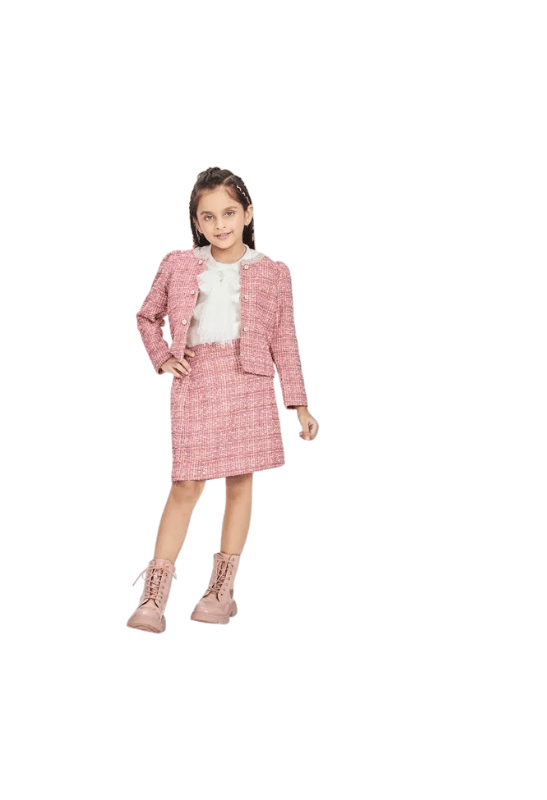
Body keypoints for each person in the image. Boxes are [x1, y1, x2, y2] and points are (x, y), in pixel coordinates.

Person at [127, 167, 319, 634]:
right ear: (196, 222)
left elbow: (284, 339)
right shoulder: (178, 264)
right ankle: (154, 595)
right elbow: (147, 316)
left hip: (249, 382)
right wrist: (163, 357)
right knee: (186, 485)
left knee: (239, 483)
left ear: (248, 214)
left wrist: (299, 404)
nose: (220, 224)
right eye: (208, 216)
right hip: (196, 381)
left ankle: (220, 591)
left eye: (229, 213)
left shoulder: (273, 272)